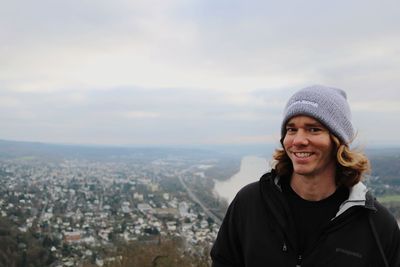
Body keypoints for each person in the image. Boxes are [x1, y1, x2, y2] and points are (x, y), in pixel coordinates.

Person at [210, 85, 400, 266]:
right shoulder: (250, 204)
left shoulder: (377, 226)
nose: (298, 140)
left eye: (314, 129)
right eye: (291, 129)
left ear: (338, 141)